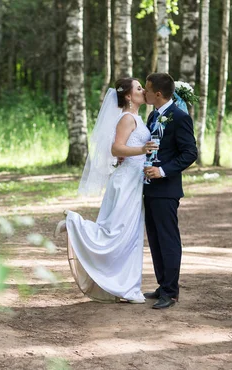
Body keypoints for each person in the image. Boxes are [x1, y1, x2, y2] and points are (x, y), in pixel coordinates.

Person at [54, 77, 158, 304]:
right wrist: (142, 148)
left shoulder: (138, 118)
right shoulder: (127, 118)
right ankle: (74, 224)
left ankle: (125, 285)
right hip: (126, 181)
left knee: (129, 235)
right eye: (139, 88)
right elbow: (116, 148)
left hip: (134, 180)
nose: (143, 91)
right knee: (116, 230)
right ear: (129, 96)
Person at [141, 72, 198, 309]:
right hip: (149, 188)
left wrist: (163, 171)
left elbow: (190, 153)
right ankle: (163, 283)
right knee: (154, 239)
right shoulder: (154, 114)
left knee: (168, 239)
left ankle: (171, 292)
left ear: (157, 94)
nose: (143, 92)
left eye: (146, 89)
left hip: (166, 189)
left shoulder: (179, 117)